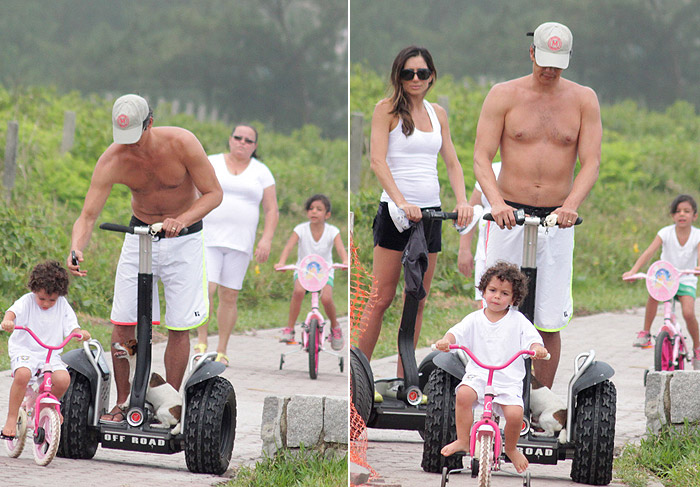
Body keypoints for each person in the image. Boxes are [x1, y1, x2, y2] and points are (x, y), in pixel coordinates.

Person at [67, 94, 223, 423]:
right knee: (123, 324)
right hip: (140, 236)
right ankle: (124, 404)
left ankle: (171, 405)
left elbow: (213, 193)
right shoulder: (113, 159)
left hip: (184, 238)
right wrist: (77, 247)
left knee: (179, 325)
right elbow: (87, 214)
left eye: (136, 138)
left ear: (149, 123)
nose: (131, 147)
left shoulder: (182, 143)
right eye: (124, 139)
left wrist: (183, 218)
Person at [473, 21, 601, 389]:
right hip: (508, 215)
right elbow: (482, 157)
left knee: (548, 316)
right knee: (496, 305)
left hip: (557, 221)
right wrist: (495, 203)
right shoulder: (504, 94)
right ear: (531, 53)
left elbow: (590, 161)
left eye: (557, 63)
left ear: (568, 60)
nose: (549, 69)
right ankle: (490, 388)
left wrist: (571, 205)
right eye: (544, 60)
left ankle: (541, 401)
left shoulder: (583, 99)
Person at [356, 45, 473, 377]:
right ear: (399, 76)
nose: (416, 79)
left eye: (422, 73)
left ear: (431, 76)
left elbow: (451, 161)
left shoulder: (438, 113)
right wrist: (401, 201)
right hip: (397, 213)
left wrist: (462, 200)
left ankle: (403, 376)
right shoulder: (387, 110)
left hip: (431, 215)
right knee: (381, 297)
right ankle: (359, 374)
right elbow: (377, 160)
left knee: (417, 297)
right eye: (408, 73)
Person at [434, 261, 548, 473]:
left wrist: (537, 347)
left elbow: (533, 338)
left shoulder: (518, 321)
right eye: (492, 290)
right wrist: (446, 340)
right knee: (463, 395)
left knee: (515, 415)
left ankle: (511, 448)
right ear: (483, 291)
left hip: (507, 380)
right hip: (478, 375)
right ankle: (462, 439)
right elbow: (456, 333)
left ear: (514, 298)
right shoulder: (474, 319)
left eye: (504, 293)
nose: (497, 296)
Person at [194, 124, 279, 367]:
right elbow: (194, 193)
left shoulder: (262, 172)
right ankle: (201, 341)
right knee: (206, 289)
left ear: (255, 146)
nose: (242, 143)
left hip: (240, 242)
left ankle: (222, 348)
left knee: (229, 295)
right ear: (230, 140)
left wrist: (267, 238)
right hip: (208, 237)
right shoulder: (211, 163)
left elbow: (271, 208)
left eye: (248, 140)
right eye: (238, 138)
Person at [1, 261, 91, 439]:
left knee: (63, 379)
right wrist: (8, 321)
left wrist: (79, 333)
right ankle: (11, 419)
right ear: (34, 290)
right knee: (22, 375)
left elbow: (72, 326)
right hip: (25, 350)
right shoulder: (26, 301)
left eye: (52, 300)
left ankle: (44, 406)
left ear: (59, 295)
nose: (46, 304)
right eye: (42, 298)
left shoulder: (62, 305)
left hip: (50, 354)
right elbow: (12, 313)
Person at [623, 195, 700, 366]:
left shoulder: (697, 235)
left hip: (686, 279)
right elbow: (649, 252)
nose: (682, 214)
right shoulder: (665, 233)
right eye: (678, 211)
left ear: (694, 215)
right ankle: (645, 333)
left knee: (688, 313)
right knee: (653, 296)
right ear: (672, 215)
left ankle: (697, 348)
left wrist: (697, 269)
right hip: (665, 279)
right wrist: (633, 271)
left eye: (687, 211)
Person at [275, 194, 348, 350]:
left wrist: (345, 261)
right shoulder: (300, 229)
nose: (314, 212)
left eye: (319, 209)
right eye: (311, 209)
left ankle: (335, 328)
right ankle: (289, 329)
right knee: (298, 291)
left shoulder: (332, 231)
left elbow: (341, 249)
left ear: (327, 214)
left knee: (327, 299)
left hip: (324, 271)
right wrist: (282, 262)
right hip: (304, 269)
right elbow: (289, 247)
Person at [458, 162, 502, 300]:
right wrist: (464, 250)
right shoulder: (491, 170)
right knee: (485, 300)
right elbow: (471, 211)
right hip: (485, 253)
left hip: (517, 250)